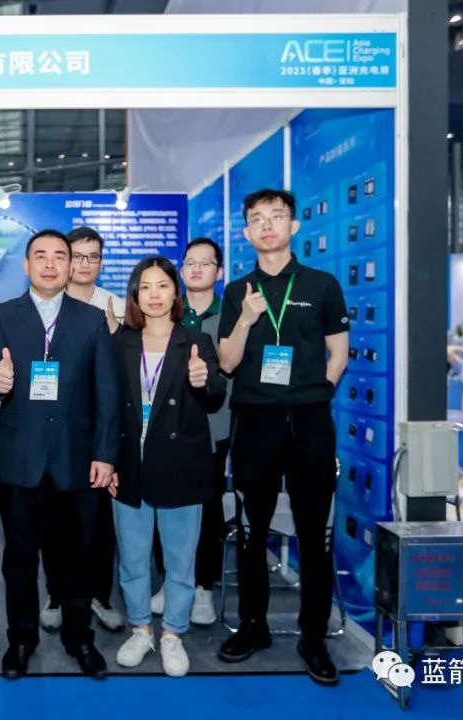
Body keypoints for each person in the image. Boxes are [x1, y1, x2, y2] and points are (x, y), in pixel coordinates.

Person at [216, 189, 349, 686]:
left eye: (277, 217)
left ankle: (313, 637)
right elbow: (227, 362)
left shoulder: (322, 284)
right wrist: (247, 319)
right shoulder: (238, 291)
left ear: (293, 226)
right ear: (246, 232)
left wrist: (313, 393)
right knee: (252, 532)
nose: (267, 225)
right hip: (255, 421)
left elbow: (339, 353)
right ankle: (252, 626)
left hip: (310, 421)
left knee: (315, 534)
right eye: (257, 219)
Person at [0, 229, 120, 679]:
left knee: (77, 557)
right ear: (26, 265)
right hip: (20, 457)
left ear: (71, 265)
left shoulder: (92, 319)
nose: (51, 264)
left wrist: (105, 454)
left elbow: (108, 391)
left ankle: (81, 640)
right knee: (18, 559)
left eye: (60, 256)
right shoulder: (1, 315)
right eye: (41, 256)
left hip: (75, 459)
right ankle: (21, 642)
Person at [110, 256, 226, 677]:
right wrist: (106, 460)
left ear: (175, 292)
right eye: (145, 287)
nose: (154, 295)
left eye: (162, 285)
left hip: (181, 464)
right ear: (135, 295)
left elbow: (215, 395)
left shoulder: (196, 341)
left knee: (180, 560)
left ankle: (174, 633)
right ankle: (141, 629)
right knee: (133, 558)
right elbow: (107, 407)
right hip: (129, 465)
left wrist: (204, 379)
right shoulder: (120, 343)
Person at [40, 225, 125, 634]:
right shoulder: (46, 306)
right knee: (54, 522)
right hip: (55, 435)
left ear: (101, 262)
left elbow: (122, 378)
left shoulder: (118, 307)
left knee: (98, 525)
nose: (85, 264)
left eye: (94, 256)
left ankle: (98, 594)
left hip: (99, 434)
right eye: (78, 255)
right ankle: (56, 593)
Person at [150, 237, 231, 626]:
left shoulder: (232, 314)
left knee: (208, 510)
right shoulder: (166, 310)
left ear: (220, 271)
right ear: (181, 270)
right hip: (167, 428)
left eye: (205, 263)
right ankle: (169, 579)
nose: (197, 269)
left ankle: (202, 586)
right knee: (162, 505)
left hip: (214, 428)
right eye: (190, 263)